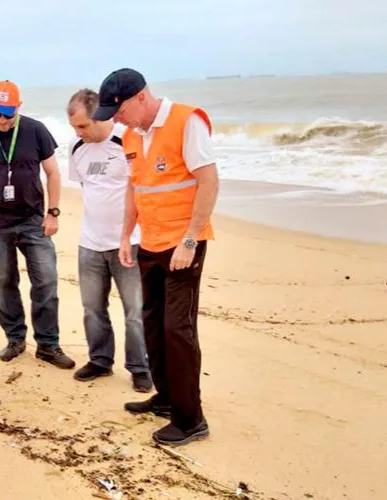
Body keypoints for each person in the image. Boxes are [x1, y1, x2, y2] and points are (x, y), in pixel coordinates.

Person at [92, 68, 219, 446]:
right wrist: (125, 236)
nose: (115, 119)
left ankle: (191, 419)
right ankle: (166, 398)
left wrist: (191, 240)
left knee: (177, 330)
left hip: (184, 245)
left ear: (140, 98)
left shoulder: (186, 121)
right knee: (153, 323)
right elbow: (136, 187)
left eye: (118, 111)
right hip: (149, 241)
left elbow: (209, 181)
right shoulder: (132, 135)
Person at [0, 80, 75, 369]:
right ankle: (15, 339)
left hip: (33, 221)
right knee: (3, 283)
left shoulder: (36, 131)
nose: (1, 120)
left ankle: (48, 344)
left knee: (46, 280)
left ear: (18, 109)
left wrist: (53, 213)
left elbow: (53, 174)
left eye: (7, 114)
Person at [65, 89, 152, 392]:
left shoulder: (127, 140)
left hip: (130, 243)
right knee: (92, 308)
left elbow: (141, 188)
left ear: (99, 115)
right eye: (75, 127)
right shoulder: (77, 147)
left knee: (135, 311)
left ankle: (140, 367)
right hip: (90, 243)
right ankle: (100, 360)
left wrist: (131, 234)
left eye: (83, 126)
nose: (79, 132)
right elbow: (88, 189)